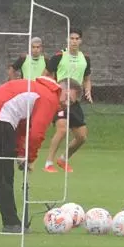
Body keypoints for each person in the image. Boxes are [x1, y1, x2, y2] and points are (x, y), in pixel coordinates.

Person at [0, 77, 82, 232]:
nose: (67, 104)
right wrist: (30, 158)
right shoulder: (48, 98)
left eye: (71, 103)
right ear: (60, 88)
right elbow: (36, 134)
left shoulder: (37, 90)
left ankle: (11, 222)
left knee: (2, 175)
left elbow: (22, 127)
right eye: (67, 97)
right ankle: (11, 223)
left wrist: (21, 153)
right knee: (4, 176)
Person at [42, 29, 93, 173]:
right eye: (72, 38)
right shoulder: (59, 56)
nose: (74, 41)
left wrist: (88, 90)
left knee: (82, 137)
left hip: (74, 102)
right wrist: (52, 92)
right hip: (59, 102)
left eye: (77, 38)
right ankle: (48, 163)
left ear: (81, 41)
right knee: (62, 129)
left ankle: (63, 159)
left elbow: (87, 79)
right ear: (67, 40)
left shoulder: (85, 59)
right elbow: (44, 76)